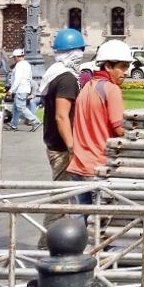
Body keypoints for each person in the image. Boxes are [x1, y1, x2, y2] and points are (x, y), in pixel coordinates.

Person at [38, 27, 86, 248]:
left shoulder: (56, 73)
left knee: (65, 196)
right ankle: (46, 245)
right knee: (60, 197)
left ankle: (59, 241)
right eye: (80, 51)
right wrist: (72, 146)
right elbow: (61, 116)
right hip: (62, 147)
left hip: (54, 143)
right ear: (74, 53)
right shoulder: (66, 78)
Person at [67, 40, 131, 206]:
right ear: (108, 66)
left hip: (78, 166)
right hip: (99, 167)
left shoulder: (87, 87)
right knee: (99, 225)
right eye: (123, 66)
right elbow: (119, 129)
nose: (126, 72)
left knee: (78, 224)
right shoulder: (111, 89)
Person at [8, 49, 41, 132]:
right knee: (16, 108)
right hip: (24, 88)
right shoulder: (27, 64)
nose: (14, 59)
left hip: (20, 89)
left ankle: (35, 121)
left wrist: (11, 90)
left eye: (14, 57)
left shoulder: (19, 65)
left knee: (21, 107)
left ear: (17, 57)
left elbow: (18, 79)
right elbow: (29, 78)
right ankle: (13, 124)